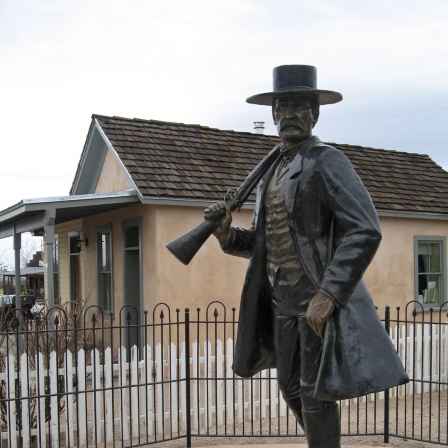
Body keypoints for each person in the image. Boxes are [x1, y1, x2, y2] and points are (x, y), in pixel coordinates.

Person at [204, 65, 408, 448]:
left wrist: (330, 293)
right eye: (282, 107)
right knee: (289, 386)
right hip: (280, 301)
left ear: (315, 114)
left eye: (300, 106)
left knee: (315, 394)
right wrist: (227, 235)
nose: (289, 115)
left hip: (315, 297)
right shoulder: (271, 171)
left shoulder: (326, 161)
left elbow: (365, 229)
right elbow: (266, 242)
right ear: (273, 115)